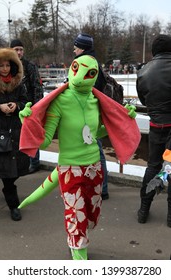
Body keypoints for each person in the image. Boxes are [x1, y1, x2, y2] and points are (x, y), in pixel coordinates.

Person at [18, 55, 140, 260]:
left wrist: (124, 121)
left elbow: (97, 133)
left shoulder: (95, 100)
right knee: (77, 214)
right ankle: (78, 253)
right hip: (69, 169)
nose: (81, 75)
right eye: (76, 68)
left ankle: (77, 237)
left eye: (90, 72)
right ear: (71, 69)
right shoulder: (60, 101)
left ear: (95, 76)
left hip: (94, 167)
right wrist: (27, 123)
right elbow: (46, 141)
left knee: (92, 214)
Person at [136, 34, 171, 226]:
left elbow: (143, 100)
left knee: (153, 166)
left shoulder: (144, 71)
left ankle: (143, 210)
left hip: (157, 125)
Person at [73, 33, 109, 200]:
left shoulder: (88, 64)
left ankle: (102, 187)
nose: (74, 50)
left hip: (89, 113)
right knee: (94, 148)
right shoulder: (92, 62)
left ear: (83, 48)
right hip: (91, 113)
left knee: (96, 149)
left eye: (76, 46)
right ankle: (97, 186)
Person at [0, 48, 30, 221]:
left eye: (7, 65)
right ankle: (13, 205)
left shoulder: (18, 83)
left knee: (14, 168)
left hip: (16, 131)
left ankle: (9, 191)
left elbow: (26, 101)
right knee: (6, 172)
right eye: (1, 65)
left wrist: (16, 105)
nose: (5, 69)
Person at [10, 39, 44, 174]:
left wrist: (37, 108)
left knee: (31, 136)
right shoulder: (8, 66)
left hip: (29, 108)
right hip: (15, 107)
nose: (19, 52)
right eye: (16, 49)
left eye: (20, 49)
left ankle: (34, 162)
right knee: (16, 136)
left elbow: (37, 87)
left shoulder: (29, 66)